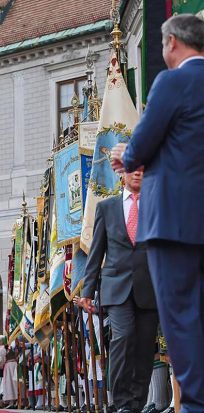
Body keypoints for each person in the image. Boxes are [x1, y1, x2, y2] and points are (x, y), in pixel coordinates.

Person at [110, 14, 204, 411]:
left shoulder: (173, 81)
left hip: (174, 223)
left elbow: (144, 140)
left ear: (170, 44)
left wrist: (126, 157)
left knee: (182, 318)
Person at [81, 168, 159, 413]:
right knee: (123, 338)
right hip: (117, 287)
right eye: (132, 170)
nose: (137, 174)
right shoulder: (107, 207)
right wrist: (87, 290)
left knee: (145, 347)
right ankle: (121, 402)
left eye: (142, 170)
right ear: (122, 175)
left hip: (150, 288)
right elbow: (96, 252)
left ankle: (136, 404)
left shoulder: (157, 205)